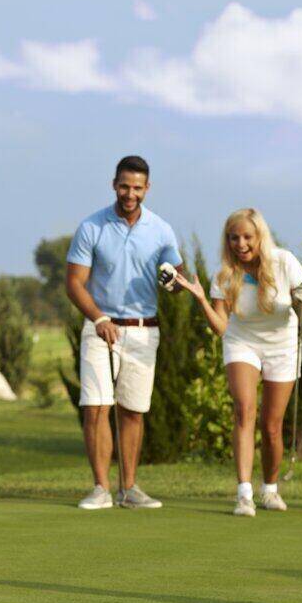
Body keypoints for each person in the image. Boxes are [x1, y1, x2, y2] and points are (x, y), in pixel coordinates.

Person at [174, 209, 302, 516]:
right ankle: (244, 493)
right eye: (234, 237)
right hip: (242, 341)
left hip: (283, 344)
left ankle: (270, 489)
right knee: (244, 410)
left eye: (247, 236)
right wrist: (200, 299)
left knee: (272, 425)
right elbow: (223, 327)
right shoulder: (224, 274)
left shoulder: (284, 262)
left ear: (259, 237)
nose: (240, 243)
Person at [66, 156, 185, 510]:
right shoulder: (92, 227)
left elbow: (178, 279)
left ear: (147, 189)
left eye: (137, 187)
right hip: (100, 326)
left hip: (144, 330)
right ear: (114, 184)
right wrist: (99, 318)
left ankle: (129, 489)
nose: (129, 194)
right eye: (124, 186)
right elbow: (74, 283)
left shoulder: (161, 229)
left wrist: (173, 281)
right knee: (97, 407)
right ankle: (101, 488)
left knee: (133, 410)